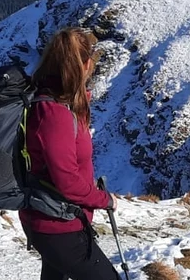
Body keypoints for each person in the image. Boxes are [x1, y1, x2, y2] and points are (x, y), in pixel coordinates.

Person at [20, 28, 120, 280]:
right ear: (85, 65)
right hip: (58, 226)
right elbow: (67, 180)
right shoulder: (55, 114)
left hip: (54, 219)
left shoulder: (55, 105)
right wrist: (103, 199)